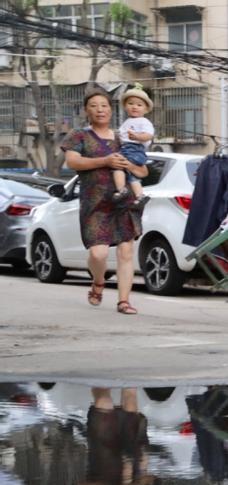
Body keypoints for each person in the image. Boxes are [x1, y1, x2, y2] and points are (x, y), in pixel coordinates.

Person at [61, 89, 150, 315]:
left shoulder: (124, 136)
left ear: (111, 110)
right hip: (95, 202)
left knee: (126, 251)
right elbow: (73, 162)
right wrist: (106, 160)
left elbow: (143, 170)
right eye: (94, 105)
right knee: (97, 254)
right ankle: (98, 281)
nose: (100, 109)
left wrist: (128, 166)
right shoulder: (79, 135)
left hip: (124, 200)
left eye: (104, 105)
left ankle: (124, 301)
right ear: (86, 110)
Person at [111, 85, 154, 209]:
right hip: (131, 149)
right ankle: (140, 196)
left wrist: (137, 137)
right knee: (132, 176)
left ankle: (121, 190)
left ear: (146, 109)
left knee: (117, 166)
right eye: (131, 103)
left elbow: (148, 135)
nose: (135, 107)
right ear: (125, 107)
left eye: (139, 105)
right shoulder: (127, 121)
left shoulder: (144, 121)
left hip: (133, 149)